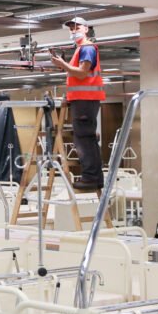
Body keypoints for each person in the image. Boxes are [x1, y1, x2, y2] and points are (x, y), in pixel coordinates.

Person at [50, 17, 105, 190]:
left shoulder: (87, 48)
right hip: (82, 99)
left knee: (84, 139)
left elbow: (82, 73)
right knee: (87, 139)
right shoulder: (81, 49)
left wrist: (63, 64)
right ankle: (94, 177)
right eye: (71, 28)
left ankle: (90, 178)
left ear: (86, 29)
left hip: (85, 100)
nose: (73, 31)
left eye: (77, 27)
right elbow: (78, 75)